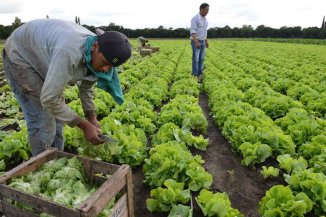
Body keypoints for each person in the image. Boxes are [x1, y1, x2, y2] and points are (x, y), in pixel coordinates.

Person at [3, 19, 132, 156]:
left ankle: (57, 156)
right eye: (105, 63)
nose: (106, 69)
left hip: (45, 54)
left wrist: (91, 117)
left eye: (111, 67)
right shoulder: (69, 52)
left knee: (59, 117)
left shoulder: (96, 56)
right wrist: (84, 126)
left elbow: (86, 87)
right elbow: (48, 99)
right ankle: (41, 165)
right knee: (42, 119)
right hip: (21, 55)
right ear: (95, 46)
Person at [190, 3, 209, 82]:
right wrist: (196, 42)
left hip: (202, 41)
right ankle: (195, 75)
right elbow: (193, 31)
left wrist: (206, 41)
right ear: (201, 9)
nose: (207, 11)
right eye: (206, 9)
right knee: (196, 58)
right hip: (196, 41)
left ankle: (200, 74)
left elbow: (204, 32)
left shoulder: (205, 20)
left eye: (208, 10)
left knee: (201, 58)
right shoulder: (195, 18)